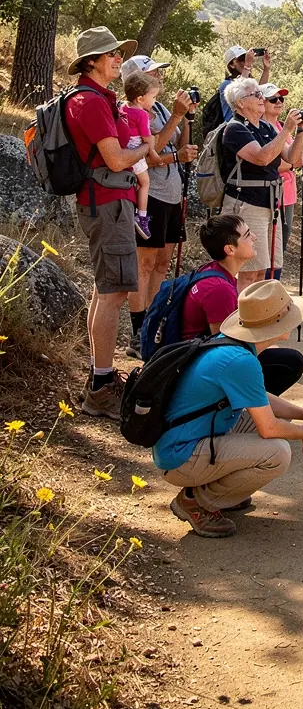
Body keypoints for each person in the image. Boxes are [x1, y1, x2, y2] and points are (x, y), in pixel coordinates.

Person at [155, 279, 303, 539]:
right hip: (180, 456)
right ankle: (196, 500)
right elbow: (269, 429)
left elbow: (257, 396)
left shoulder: (231, 345)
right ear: (280, 326)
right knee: (277, 453)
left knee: (257, 422)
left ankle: (219, 492)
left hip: (183, 441)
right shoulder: (242, 361)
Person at [63, 27, 149, 419]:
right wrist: (145, 148)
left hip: (107, 201)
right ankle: (100, 387)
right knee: (113, 293)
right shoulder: (91, 102)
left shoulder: (95, 98)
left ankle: (100, 377)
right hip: (108, 203)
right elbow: (115, 160)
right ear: (92, 61)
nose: (118, 59)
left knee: (105, 290)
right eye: (111, 54)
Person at [120, 55, 198, 359]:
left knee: (163, 261)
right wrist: (177, 118)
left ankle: (153, 323)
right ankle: (138, 331)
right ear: (138, 81)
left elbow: (180, 147)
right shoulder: (138, 112)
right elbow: (152, 154)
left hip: (171, 191)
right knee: (145, 262)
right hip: (149, 193)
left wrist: (186, 118)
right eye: (154, 73)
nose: (161, 78)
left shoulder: (162, 108)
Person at [182, 214, 303, 397]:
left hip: (200, 359)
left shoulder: (215, 272)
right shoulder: (219, 290)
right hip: (199, 370)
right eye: (247, 235)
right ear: (230, 249)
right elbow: (224, 349)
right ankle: (244, 412)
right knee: (290, 362)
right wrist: (275, 335)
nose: (254, 237)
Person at [220, 77, 303, 290]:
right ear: (240, 103)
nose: (261, 98)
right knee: (248, 270)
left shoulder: (266, 127)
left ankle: (259, 317)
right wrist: (285, 130)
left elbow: (291, 158)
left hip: (269, 205)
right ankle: (240, 318)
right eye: (255, 94)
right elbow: (262, 158)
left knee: (264, 270)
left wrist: (300, 131)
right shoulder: (235, 129)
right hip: (246, 204)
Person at [259, 84, 303, 260]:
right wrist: (294, 164)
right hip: (272, 193)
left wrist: (301, 131)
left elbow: (292, 157)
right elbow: (268, 162)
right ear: (261, 101)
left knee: (282, 241)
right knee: (270, 244)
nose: (278, 102)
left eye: (281, 99)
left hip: (288, 192)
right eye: (273, 99)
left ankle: (275, 280)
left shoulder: (281, 126)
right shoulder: (262, 128)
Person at [120, 70, 159, 240]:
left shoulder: (122, 107)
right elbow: (146, 138)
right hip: (136, 149)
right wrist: (154, 149)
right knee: (145, 182)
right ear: (140, 99)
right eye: (153, 97)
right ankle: (142, 215)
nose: (155, 101)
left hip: (124, 148)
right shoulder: (142, 114)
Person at [218, 45, 271, 123]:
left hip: (250, 124)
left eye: (246, 58)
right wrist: (247, 66)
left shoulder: (248, 80)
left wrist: (266, 69)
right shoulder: (226, 85)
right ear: (232, 65)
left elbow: (260, 90)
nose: (246, 61)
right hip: (235, 126)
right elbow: (240, 89)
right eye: (242, 59)